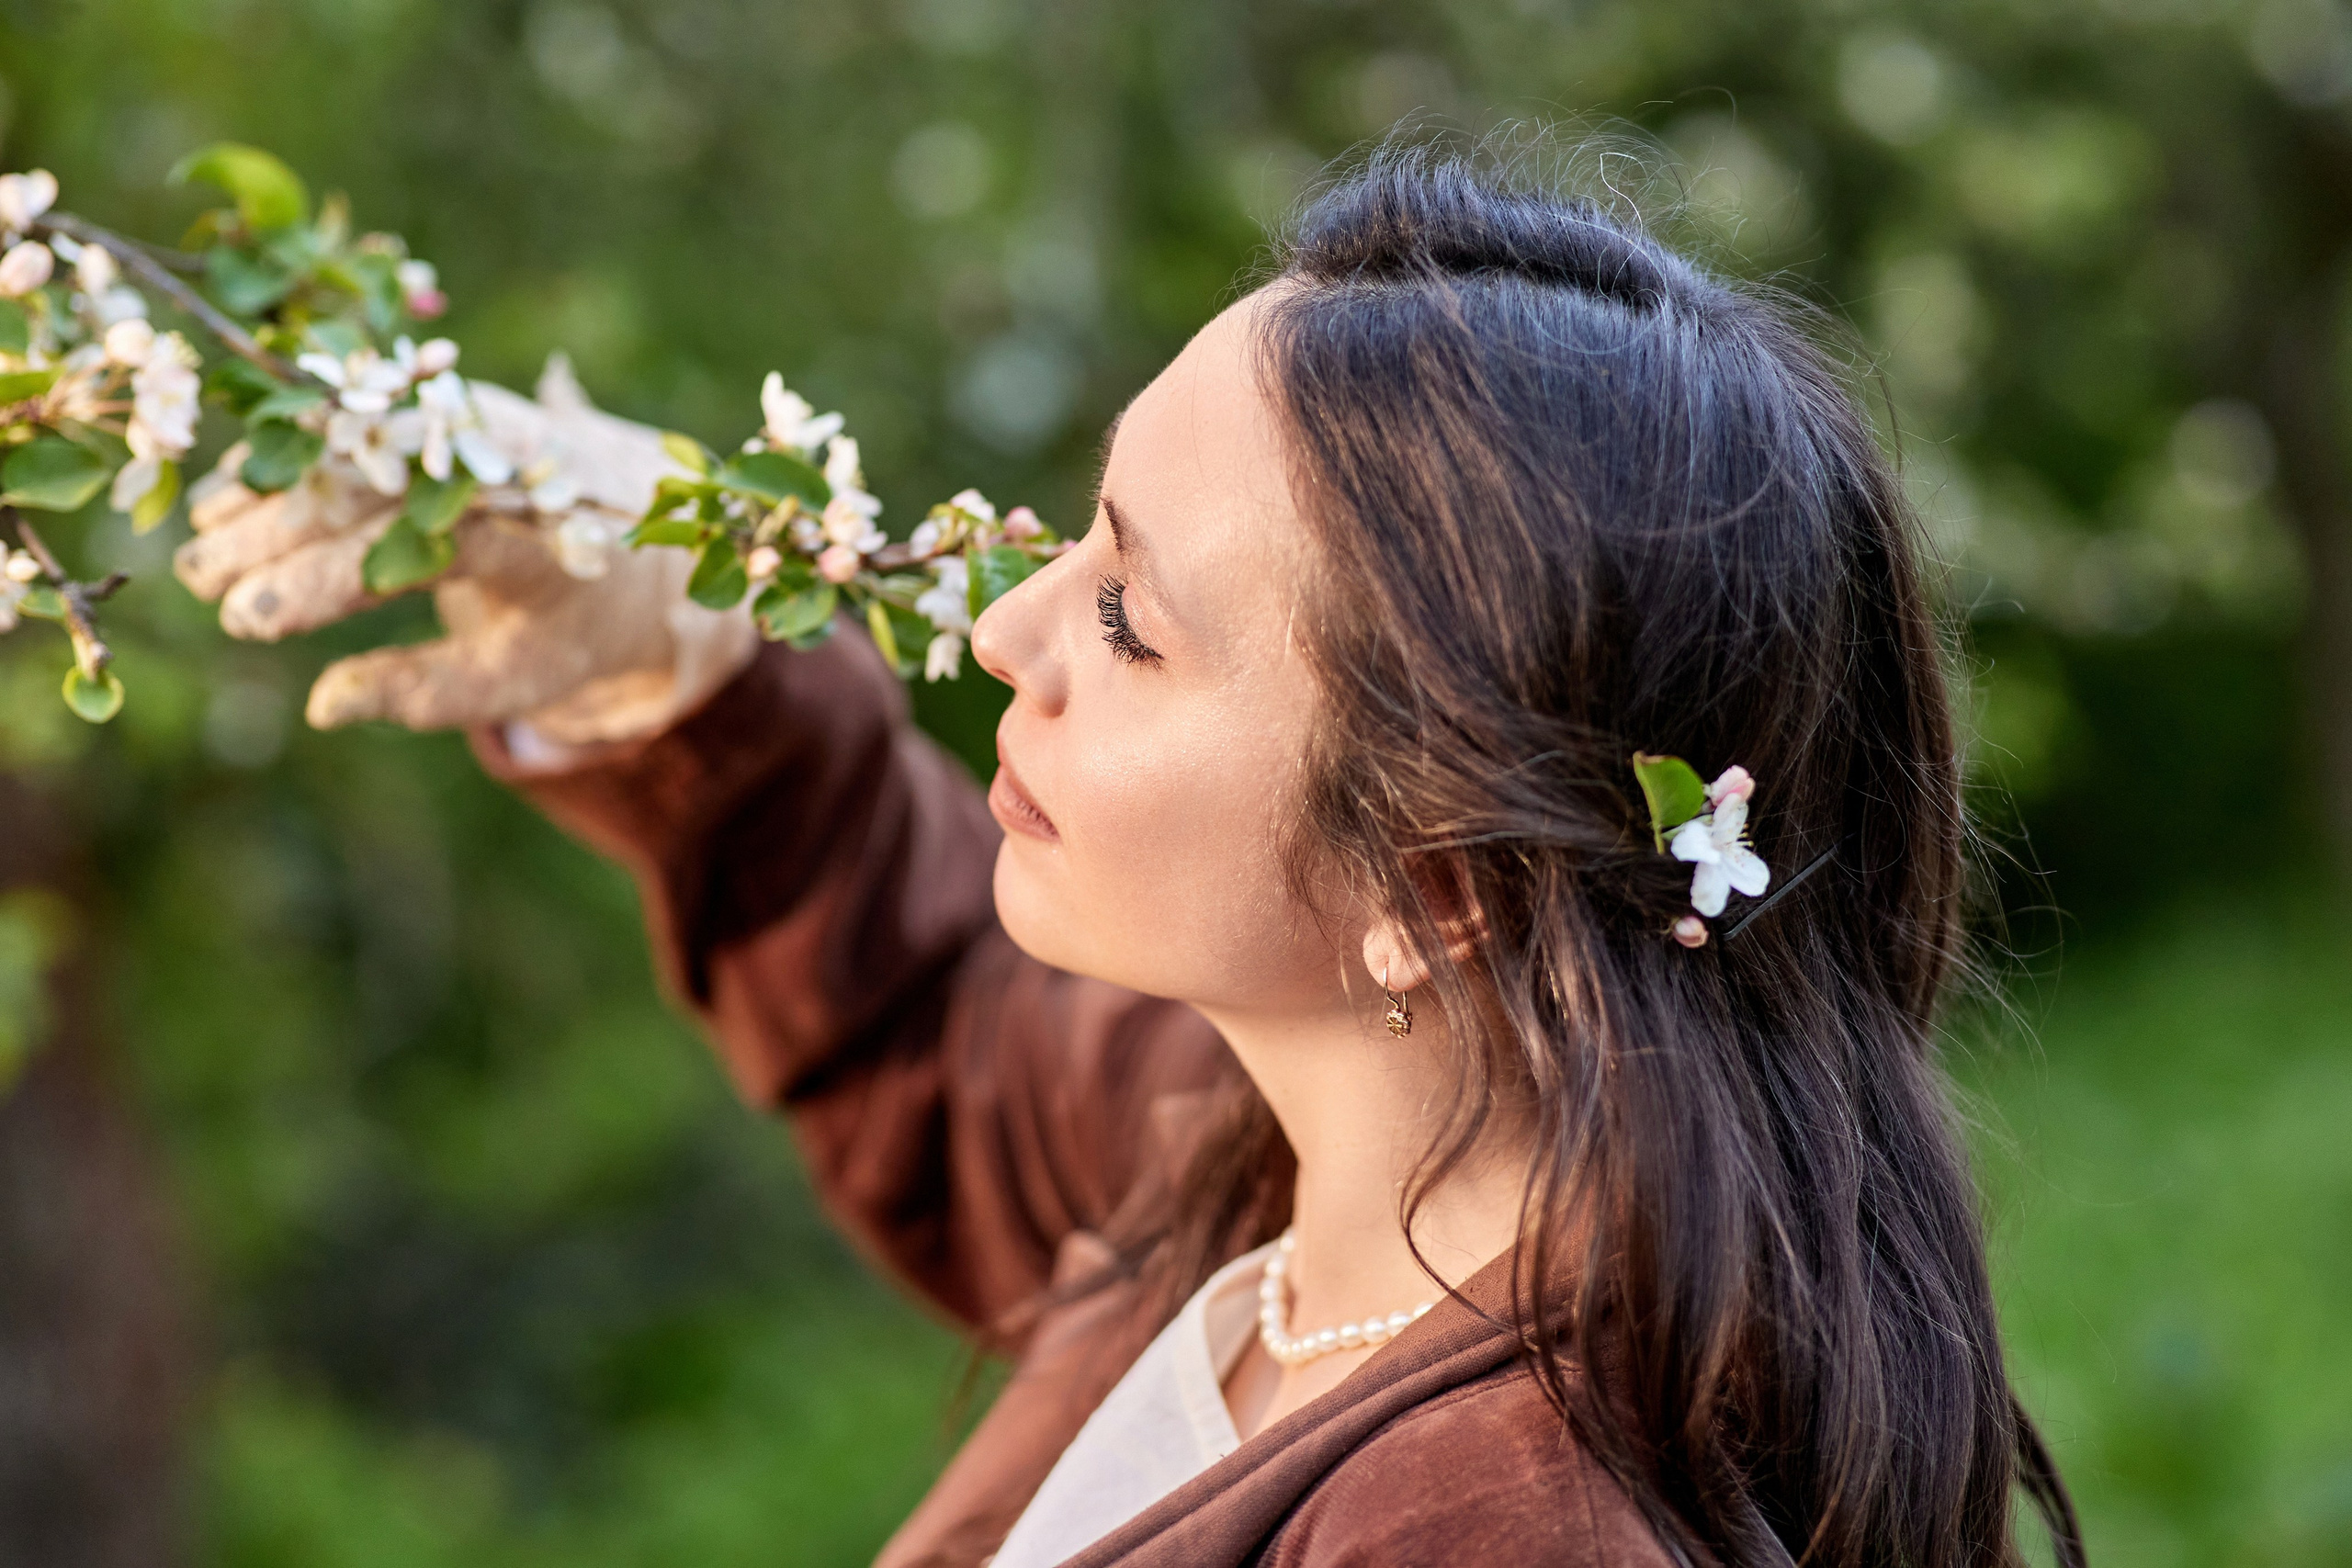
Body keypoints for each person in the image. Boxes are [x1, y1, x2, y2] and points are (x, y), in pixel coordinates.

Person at [175, 149, 2084, 1568]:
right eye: (1077, 541)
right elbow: (936, 1016)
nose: (1006, 631)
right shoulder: (1311, 1170)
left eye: (1130, 619)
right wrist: (672, 677)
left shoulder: (1503, 1523)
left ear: (1439, 887)